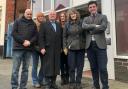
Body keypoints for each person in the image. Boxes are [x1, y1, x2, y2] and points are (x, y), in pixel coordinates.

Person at [82, 1, 109, 89]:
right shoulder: (86, 19)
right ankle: (96, 85)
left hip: (100, 46)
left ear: (96, 7)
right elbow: (84, 26)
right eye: (90, 7)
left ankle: (105, 86)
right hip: (90, 46)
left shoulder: (103, 17)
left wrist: (91, 29)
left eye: (93, 6)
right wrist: (95, 26)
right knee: (93, 68)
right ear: (88, 9)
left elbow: (103, 27)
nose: (92, 8)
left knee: (103, 68)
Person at [11, 9, 37, 89]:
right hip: (18, 49)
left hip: (28, 49)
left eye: (30, 14)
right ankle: (14, 86)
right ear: (24, 13)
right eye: (28, 14)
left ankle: (23, 86)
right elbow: (14, 33)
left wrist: (30, 42)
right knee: (15, 69)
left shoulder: (33, 24)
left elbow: (36, 35)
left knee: (25, 69)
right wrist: (23, 41)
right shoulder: (17, 21)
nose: (29, 15)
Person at [38, 10, 62, 89]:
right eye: (51, 14)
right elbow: (41, 37)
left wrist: (61, 47)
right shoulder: (44, 24)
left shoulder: (58, 25)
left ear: (56, 16)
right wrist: (42, 47)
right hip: (47, 49)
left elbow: (60, 37)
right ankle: (48, 83)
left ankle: (53, 83)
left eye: (54, 14)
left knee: (55, 66)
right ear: (48, 16)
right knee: (48, 66)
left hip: (57, 49)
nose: (52, 15)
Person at [63, 8, 86, 89]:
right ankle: (72, 82)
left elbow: (85, 34)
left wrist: (85, 42)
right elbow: (64, 37)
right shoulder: (67, 24)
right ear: (69, 16)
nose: (73, 15)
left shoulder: (81, 22)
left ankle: (78, 82)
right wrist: (65, 47)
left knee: (80, 66)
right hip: (71, 48)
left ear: (76, 14)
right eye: (71, 14)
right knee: (71, 66)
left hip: (81, 48)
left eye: (74, 13)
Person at [31, 12, 45, 88]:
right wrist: (37, 47)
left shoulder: (45, 24)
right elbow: (32, 37)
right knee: (35, 65)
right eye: (39, 16)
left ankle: (40, 80)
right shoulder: (33, 25)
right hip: (35, 48)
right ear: (37, 17)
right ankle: (34, 81)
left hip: (43, 48)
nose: (41, 17)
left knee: (43, 65)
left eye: (42, 16)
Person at [58, 12, 69, 85]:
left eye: (63, 16)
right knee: (61, 64)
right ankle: (62, 78)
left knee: (68, 63)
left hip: (68, 47)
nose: (62, 17)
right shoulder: (58, 25)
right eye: (61, 16)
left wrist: (67, 46)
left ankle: (67, 77)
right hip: (60, 48)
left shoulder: (68, 25)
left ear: (65, 17)